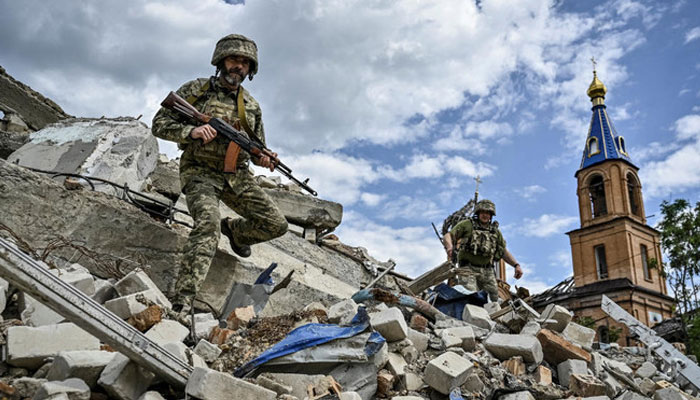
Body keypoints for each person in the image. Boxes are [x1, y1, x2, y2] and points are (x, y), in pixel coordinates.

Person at [152, 34, 288, 312]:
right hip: (200, 172)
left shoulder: (251, 106)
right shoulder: (196, 90)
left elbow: (255, 147)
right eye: (234, 59)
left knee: (277, 224)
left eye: (245, 63)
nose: (238, 66)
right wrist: (190, 131)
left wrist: (263, 159)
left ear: (251, 70)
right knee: (207, 228)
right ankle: (183, 302)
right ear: (221, 61)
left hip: (236, 176)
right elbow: (159, 124)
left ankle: (235, 231)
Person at [443, 199, 522, 302]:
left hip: (487, 271)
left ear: (491, 215)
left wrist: (516, 265)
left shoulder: (495, 232)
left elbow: (503, 252)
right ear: (478, 213)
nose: (485, 215)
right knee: (471, 295)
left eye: (488, 213)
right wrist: (449, 247)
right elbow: (448, 235)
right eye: (483, 212)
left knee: (494, 300)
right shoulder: (467, 225)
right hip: (468, 269)